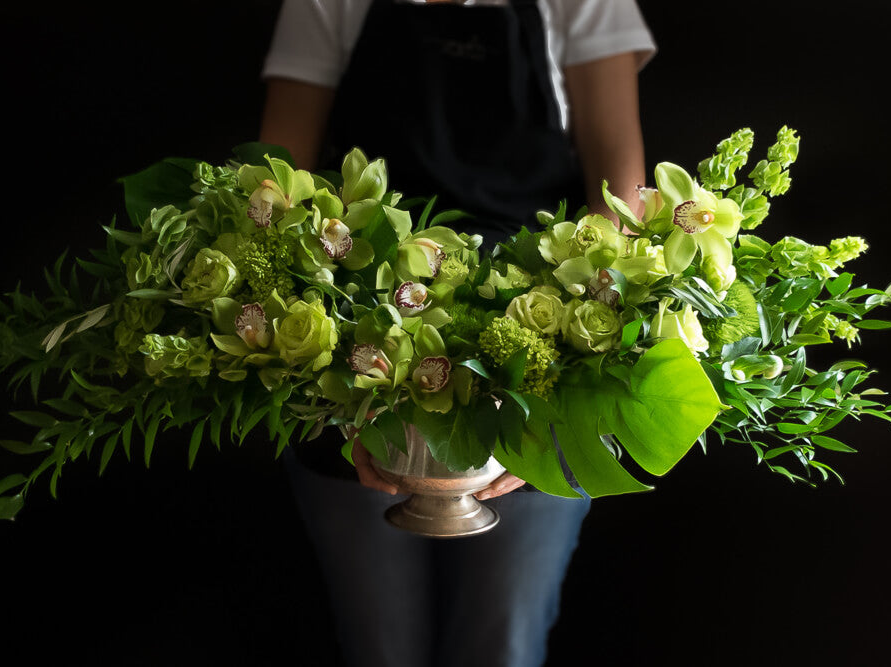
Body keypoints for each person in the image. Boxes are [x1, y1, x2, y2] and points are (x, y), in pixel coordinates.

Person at [258, 2, 655, 666]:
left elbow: (622, 208)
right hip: (358, 352)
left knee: (501, 645)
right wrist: (347, 384)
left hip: (534, 362)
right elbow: (274, 196)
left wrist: (546, 380)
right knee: (379, 646)